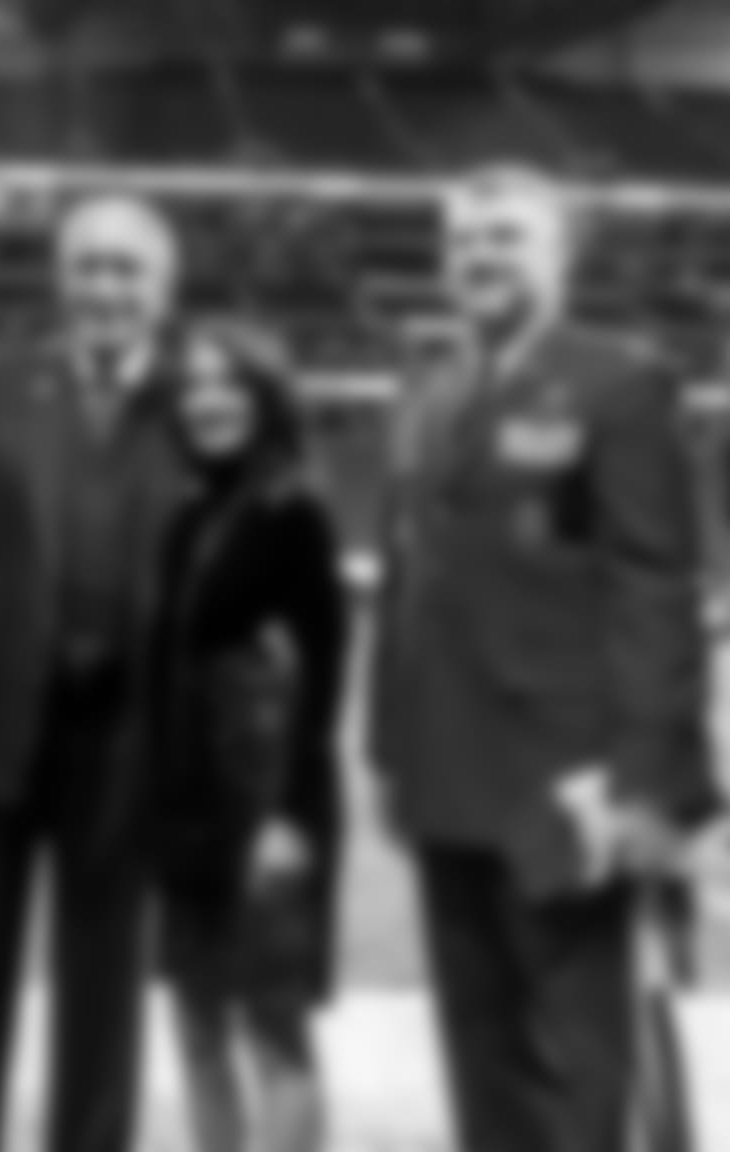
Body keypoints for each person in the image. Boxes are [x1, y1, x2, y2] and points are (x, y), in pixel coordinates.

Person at [371, 165, 722, 1152]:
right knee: (481, 1059)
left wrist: (646, 788)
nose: (479, 258)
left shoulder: (619, 381)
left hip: (566, 788)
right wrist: (390, 754)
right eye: (464, 242)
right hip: (445, 778)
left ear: (561, 256)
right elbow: (408, 582)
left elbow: (656, 588)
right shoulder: (434, 389)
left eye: (506, 239)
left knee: (576, 1067)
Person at [0, 194, 188, 1152]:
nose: (104, 287)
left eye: (126, 269)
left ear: (164, 290)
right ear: (60, 278)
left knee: (103, 990)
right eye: (88, 265)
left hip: (126, 737)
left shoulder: (203, 398)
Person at [150, 319, 345, 1152]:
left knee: (272, 1028)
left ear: (265, 397)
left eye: (228, 382)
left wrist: (289, 815)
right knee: (195, 1022)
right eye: (192, 384)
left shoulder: (293, 511)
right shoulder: (189, 514)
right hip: (188, 800)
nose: (208, 401)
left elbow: (327, 671)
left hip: (266, 800)